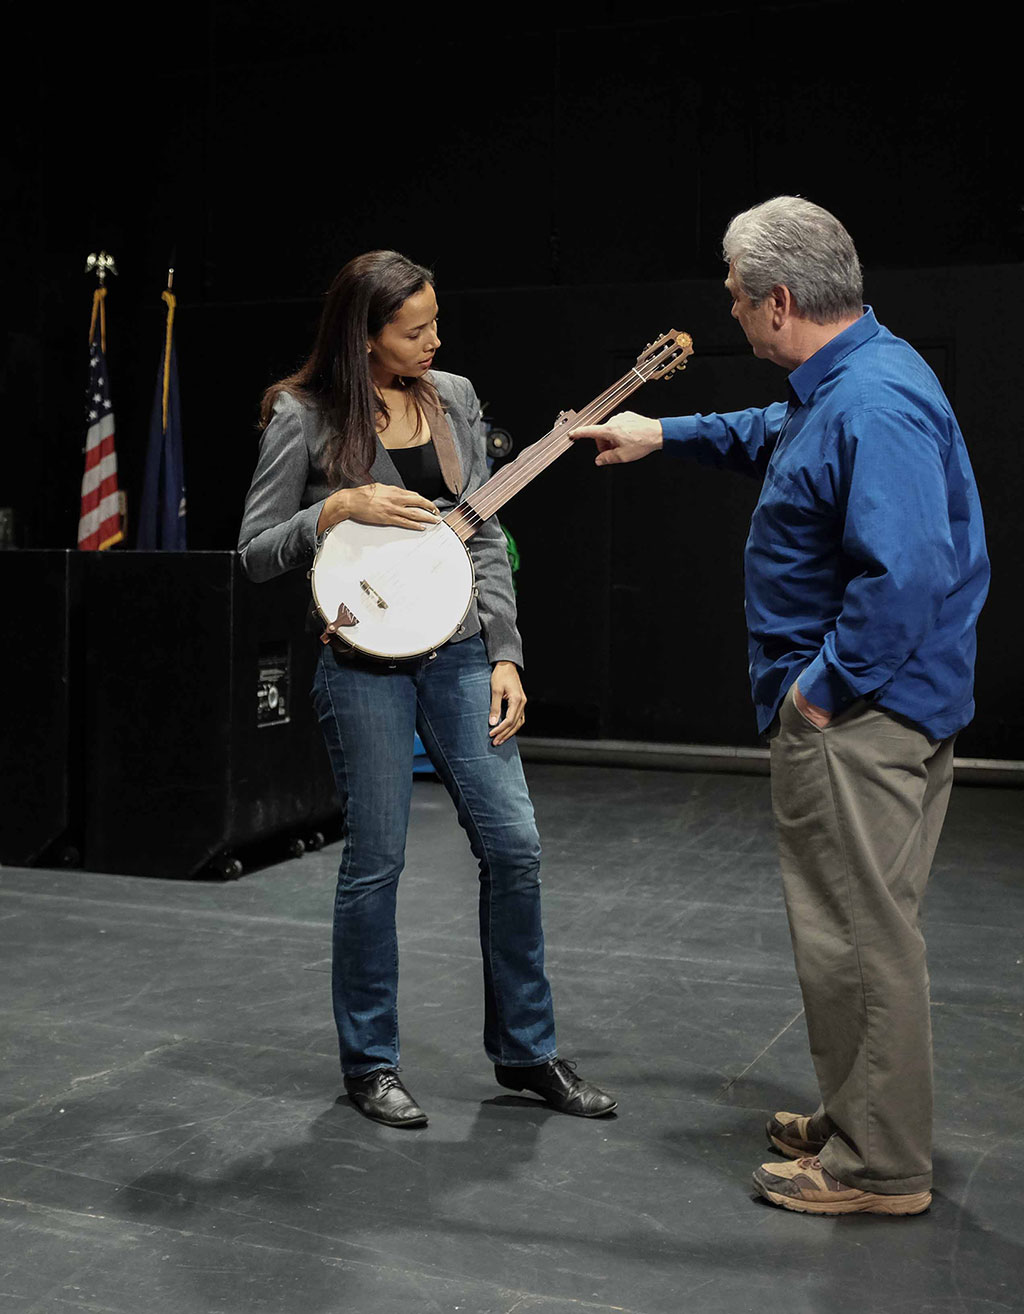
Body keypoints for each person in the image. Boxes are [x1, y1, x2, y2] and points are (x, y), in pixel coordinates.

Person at [571, 197, 989, 1215]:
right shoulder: (843, 379)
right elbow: (776, 433)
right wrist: (662, 433)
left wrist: (819, 693)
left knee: (857, 935)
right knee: (856, 927)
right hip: (872, 710)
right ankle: (859, 1110)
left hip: (857, 719)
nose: (729, 311)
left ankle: (878, 1167)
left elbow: (904, 579)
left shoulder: (873, 400)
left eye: (733, 296)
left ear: (780, 300)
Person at [238, 250, 615, 1129]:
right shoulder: (303, 414)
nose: (435, 339)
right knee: (378, 861)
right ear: (363, 338)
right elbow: (255, 551)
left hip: (460, 653)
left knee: (514, 844)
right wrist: (334, 509)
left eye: (436, 323)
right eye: (415, 331)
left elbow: (484, 532)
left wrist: (508, 653)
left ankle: (526, 1052)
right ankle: (369, 1062)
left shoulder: (455, 398)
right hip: (362, 665)